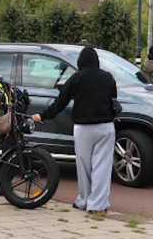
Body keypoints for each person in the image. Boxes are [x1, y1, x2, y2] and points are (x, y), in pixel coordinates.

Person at [33, 46, 117, 216]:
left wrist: (42, 116)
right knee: (102, 166)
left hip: (83, 127)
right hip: (106, 126)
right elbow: (113, 99)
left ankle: (84, 200)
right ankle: (98, 205)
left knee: (83, 165)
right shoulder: (108, 77)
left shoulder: (76, 78)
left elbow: (60, 102)